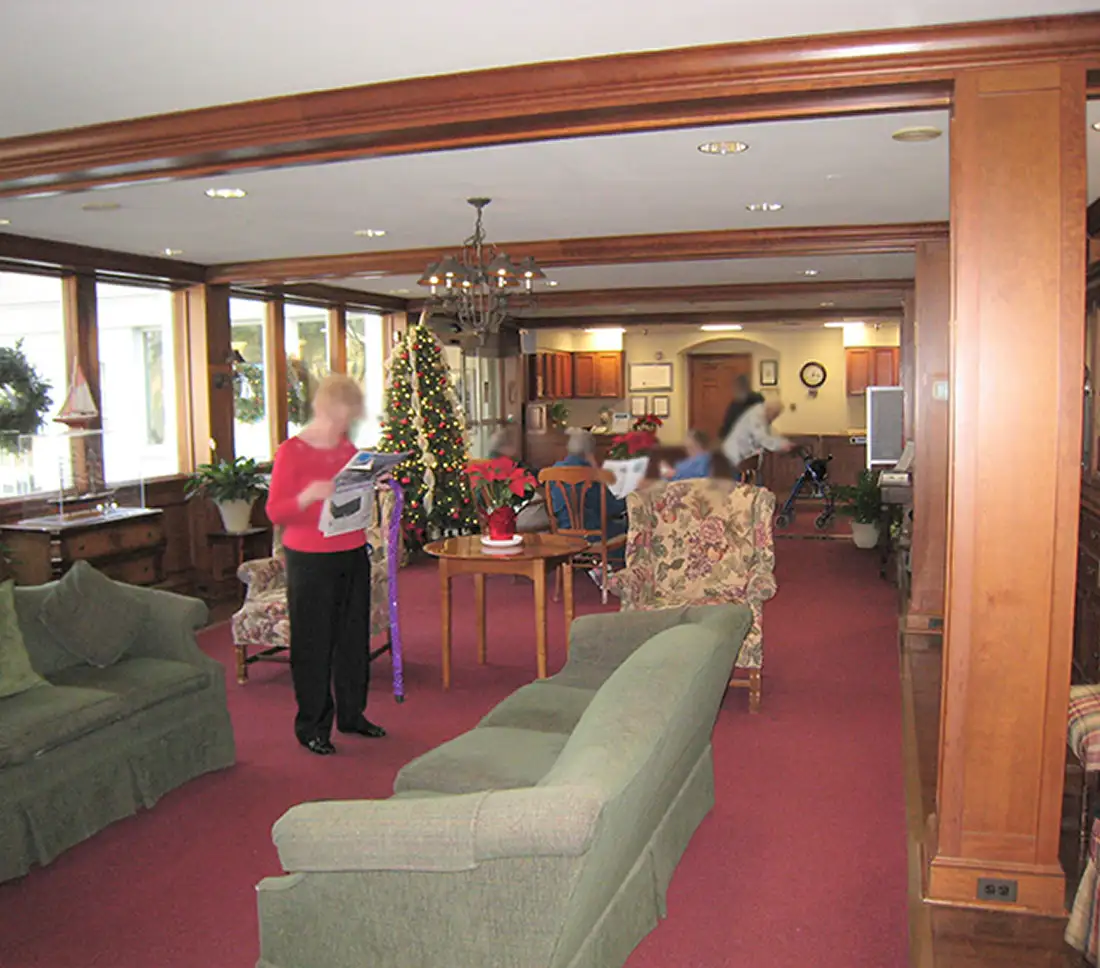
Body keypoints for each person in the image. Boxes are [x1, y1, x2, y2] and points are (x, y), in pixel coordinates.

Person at [265, 374, 385, 756]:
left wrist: (372, 485)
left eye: (349, 417)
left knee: (352, 639)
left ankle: (352, 714)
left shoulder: (347, 446)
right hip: (310, 558)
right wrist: (307, 496)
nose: (343, 425)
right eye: (339, 415)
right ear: (324, 408)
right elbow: (274, 510)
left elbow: (350, 491)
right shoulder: (292, 451)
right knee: (314, 642)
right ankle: (312, 725)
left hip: (351, 549)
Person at [550, 429, 628, 546]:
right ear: (591, 451)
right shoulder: (591, 474)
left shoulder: (553, 471)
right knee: (629, 528)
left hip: (563, 534)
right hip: (593, 535)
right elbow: (612, 508)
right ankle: (614, 564)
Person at [487, 425, 549, 532]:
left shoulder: (485, 466)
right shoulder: (511, 467)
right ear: (506, 447)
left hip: (492, 521)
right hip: (513, 519)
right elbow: (527, 492)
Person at [721, 399, 792, 472]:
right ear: (770, 411)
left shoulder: (763, 415)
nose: (775, 418)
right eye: (775, 415)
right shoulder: (757, 416)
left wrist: (784, 442)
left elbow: (772, 433)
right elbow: (762, 438)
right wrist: (781, 445)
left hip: (742, 455)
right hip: (734, 454)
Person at [718, 373, 766, 442]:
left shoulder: (757, 400)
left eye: (738, 388)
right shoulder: (734, 404)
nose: (734, 391)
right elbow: (727, 424)